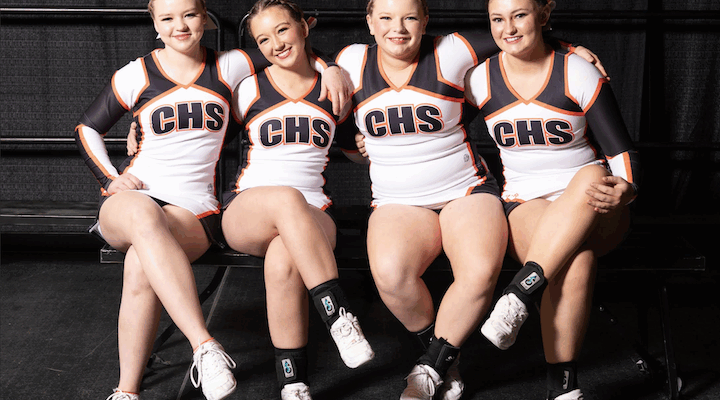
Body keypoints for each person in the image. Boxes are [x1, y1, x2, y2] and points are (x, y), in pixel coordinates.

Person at [74, 1, 349, 399]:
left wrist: (333, 67)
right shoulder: (137, 73)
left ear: (204, 18)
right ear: (155, 24)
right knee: (143, 215)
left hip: (193, 210)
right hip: (134, 199)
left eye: (189, 14)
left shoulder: (230, 66)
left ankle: (127, 391)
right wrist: (111, 178)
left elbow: (289, 48)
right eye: (167, 18)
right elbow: (87, 128)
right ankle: (204, 345)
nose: (180, 26)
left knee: (139, 264)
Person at [342, 1, 607, 399]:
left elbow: (515, 36)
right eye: (386, 18)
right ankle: (444, 359)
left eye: (410, 17)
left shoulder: (451, 51)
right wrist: (352, 140)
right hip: (397, 200)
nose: (398, 28)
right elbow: (325, 112)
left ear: (425, 21)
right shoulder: (349, 62)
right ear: (369, 22)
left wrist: (570, 48)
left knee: (480, 270)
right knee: (393, 279)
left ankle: (429, 370)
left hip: (465, 189)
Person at [464, 1, 641, 399]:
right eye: (497, 19)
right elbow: (437, 127)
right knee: (576, 260)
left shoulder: (576, 70)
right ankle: (563, 389)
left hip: (596, 205)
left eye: (520, 15)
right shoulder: (480, 80)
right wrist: (364, 141)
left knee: (592, 174)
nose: (508, 28)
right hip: (526, 203)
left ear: (544, 14)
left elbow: (620, 150)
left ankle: (517, 295)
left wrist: (627, 188)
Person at [219, 1, 374, 399]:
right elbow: (203, 136)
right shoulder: (248, 89)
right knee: (286, 197)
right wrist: (139, 131)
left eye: (283, 30)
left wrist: (364, 145)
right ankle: (339, 317)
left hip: (313, 212)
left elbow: (354, 149)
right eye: (263, 39)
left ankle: (293, 383)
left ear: (305, 27)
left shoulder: (333, 87)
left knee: (283, 259)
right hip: (248, 209)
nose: (276, 44)